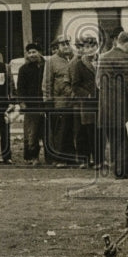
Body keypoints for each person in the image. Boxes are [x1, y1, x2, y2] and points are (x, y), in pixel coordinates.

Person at [98, 31, 128, 179]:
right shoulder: (125, 60)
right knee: (125, 139)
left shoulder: (104, 58)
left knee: (114, 140)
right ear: (127, 43)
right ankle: (124, 171)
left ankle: (117, 170)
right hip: (121, 106)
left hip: (106, 107)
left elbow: (99, 83)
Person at [43, 35, 78, 167]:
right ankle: (60, 159)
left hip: (75, 101)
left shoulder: (76, 58)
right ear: (57, 46)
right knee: (61, 131)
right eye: (62, 44)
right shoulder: (52, 61)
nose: (65, 46)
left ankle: (72, 157)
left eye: (67, 43)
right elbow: (47, 82)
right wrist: (48, 100)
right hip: (60, 102)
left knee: (73, 131)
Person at [68, 35, 100, 169]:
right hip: (87, 104)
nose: (91, 49)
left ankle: (99, 160)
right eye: (87, 47)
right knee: (86, 132)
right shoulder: (79, 64)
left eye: (93, 46)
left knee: (99, 132)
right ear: (84, 49)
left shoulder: (102, 61)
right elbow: (75, 85)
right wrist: (87, 95)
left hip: (102, 102)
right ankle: (85, 159)